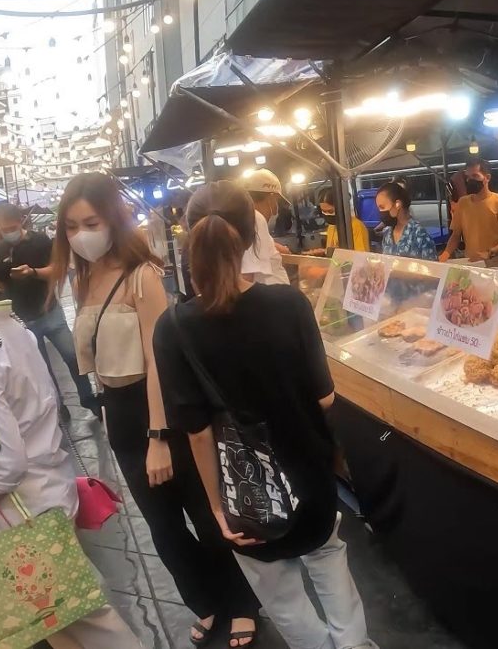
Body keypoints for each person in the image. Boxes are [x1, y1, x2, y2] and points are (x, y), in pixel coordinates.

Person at [154, 181, 375, 649]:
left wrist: (217, 507)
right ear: (253, 236)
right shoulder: (288, 304)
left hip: (245, 492)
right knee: (329, 558)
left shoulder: (173, 328)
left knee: (281, 595)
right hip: (308, 471)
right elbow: (324, 400)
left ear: (190, 236)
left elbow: (195, 433)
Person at [46, 173, 260, 647]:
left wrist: (159, 436)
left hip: (160, 411)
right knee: (162, 526)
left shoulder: (142, 276)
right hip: (118, 414)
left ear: (113, 220)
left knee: (205, 516)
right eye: (71, 225)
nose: (81, 234)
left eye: (91, 222)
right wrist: (107, 413)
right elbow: (97, 360)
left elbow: (158, 359)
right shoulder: (83, 280)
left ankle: (241, 602)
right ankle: (206, 601)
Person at [0, 235, 142, 649]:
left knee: (87, 621)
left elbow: (5, 464)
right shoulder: (8, 326)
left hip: (18, 514)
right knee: (60, 622)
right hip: (48, 490)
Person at [0, 203, 98, 419]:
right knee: (41, 369)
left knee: (73, 357)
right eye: (4, 229)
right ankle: (58, 408)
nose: (8, 233)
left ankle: (88, 398)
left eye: (11, 227)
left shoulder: (40, 241)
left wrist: (32, 272)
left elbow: (57, 270)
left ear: (20, 222)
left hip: (50, 312)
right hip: (21, 320)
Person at [439, 158, 498, 266]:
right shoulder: (462, 203)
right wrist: (445, 254)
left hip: (496, 265)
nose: (470, 180)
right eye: (468, 177)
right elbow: (456, 235)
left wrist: (490, 253)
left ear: (487, 178)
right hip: (471, 264)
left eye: (475, 176)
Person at [241, 168, 291, 286]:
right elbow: (247, 276)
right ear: (271, 198)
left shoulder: (246, 219)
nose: (276, 209)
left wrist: (273, 247)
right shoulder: (255, 219)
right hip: (268, 300)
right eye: (277, 201)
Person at [377, 181, 436, 260]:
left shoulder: (419, 234)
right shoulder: (387, 234)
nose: (380, 212)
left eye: (382, 207)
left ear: (397, 204)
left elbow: (433, 268)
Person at [308, 186, 370, 255]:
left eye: (330, 211)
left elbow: (361, 256)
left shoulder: (356, 226)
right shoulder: (331, 227)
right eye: (323, 211)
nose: (327, 214)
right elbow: (331, 252)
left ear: (341, 208)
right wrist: (323, 252)